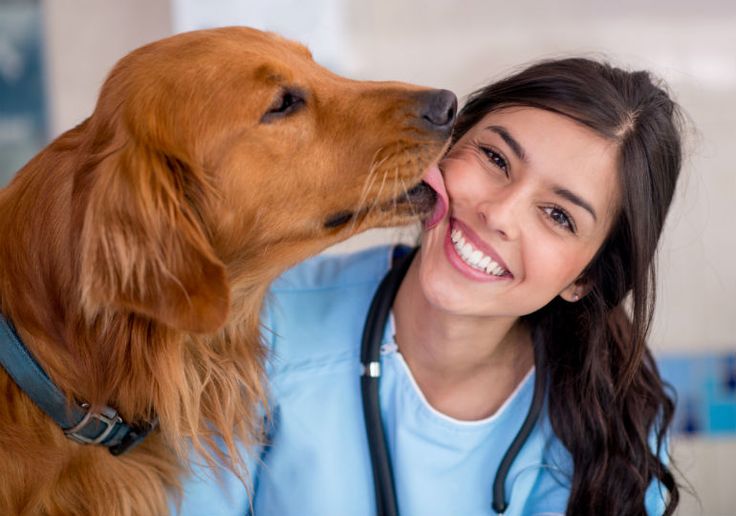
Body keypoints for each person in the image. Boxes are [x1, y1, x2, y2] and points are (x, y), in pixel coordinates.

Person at [175, 57, 684, 516]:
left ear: (585, 279)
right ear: (446, 146)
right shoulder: (260, 320)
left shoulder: (620, 429)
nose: (499, 214)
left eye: (558, 215)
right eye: (495, 159)